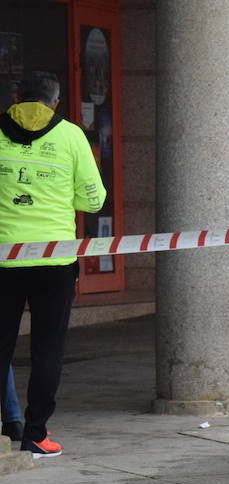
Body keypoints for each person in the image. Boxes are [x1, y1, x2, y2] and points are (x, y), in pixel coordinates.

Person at [0, 71, 107, 455]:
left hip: (3, 255)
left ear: (17, 97)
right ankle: (36, 434)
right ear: (55, 103)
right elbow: (94, 200)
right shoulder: (72, 135)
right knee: (48, 348)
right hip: (54, 258)